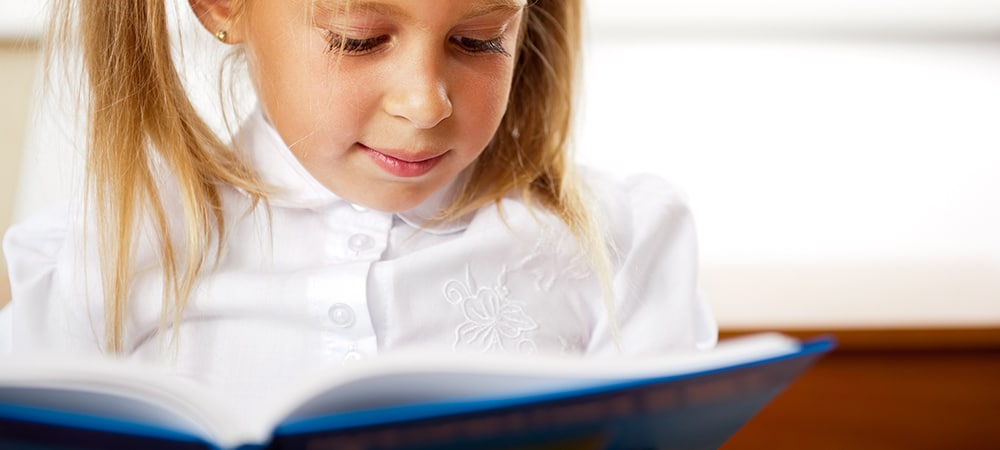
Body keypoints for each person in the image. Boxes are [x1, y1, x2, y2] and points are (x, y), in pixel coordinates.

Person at [1, 0, 716, 402]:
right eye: (360, 40)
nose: (423, 102)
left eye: (478, 40)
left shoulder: (622, 244)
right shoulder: (103, 256)